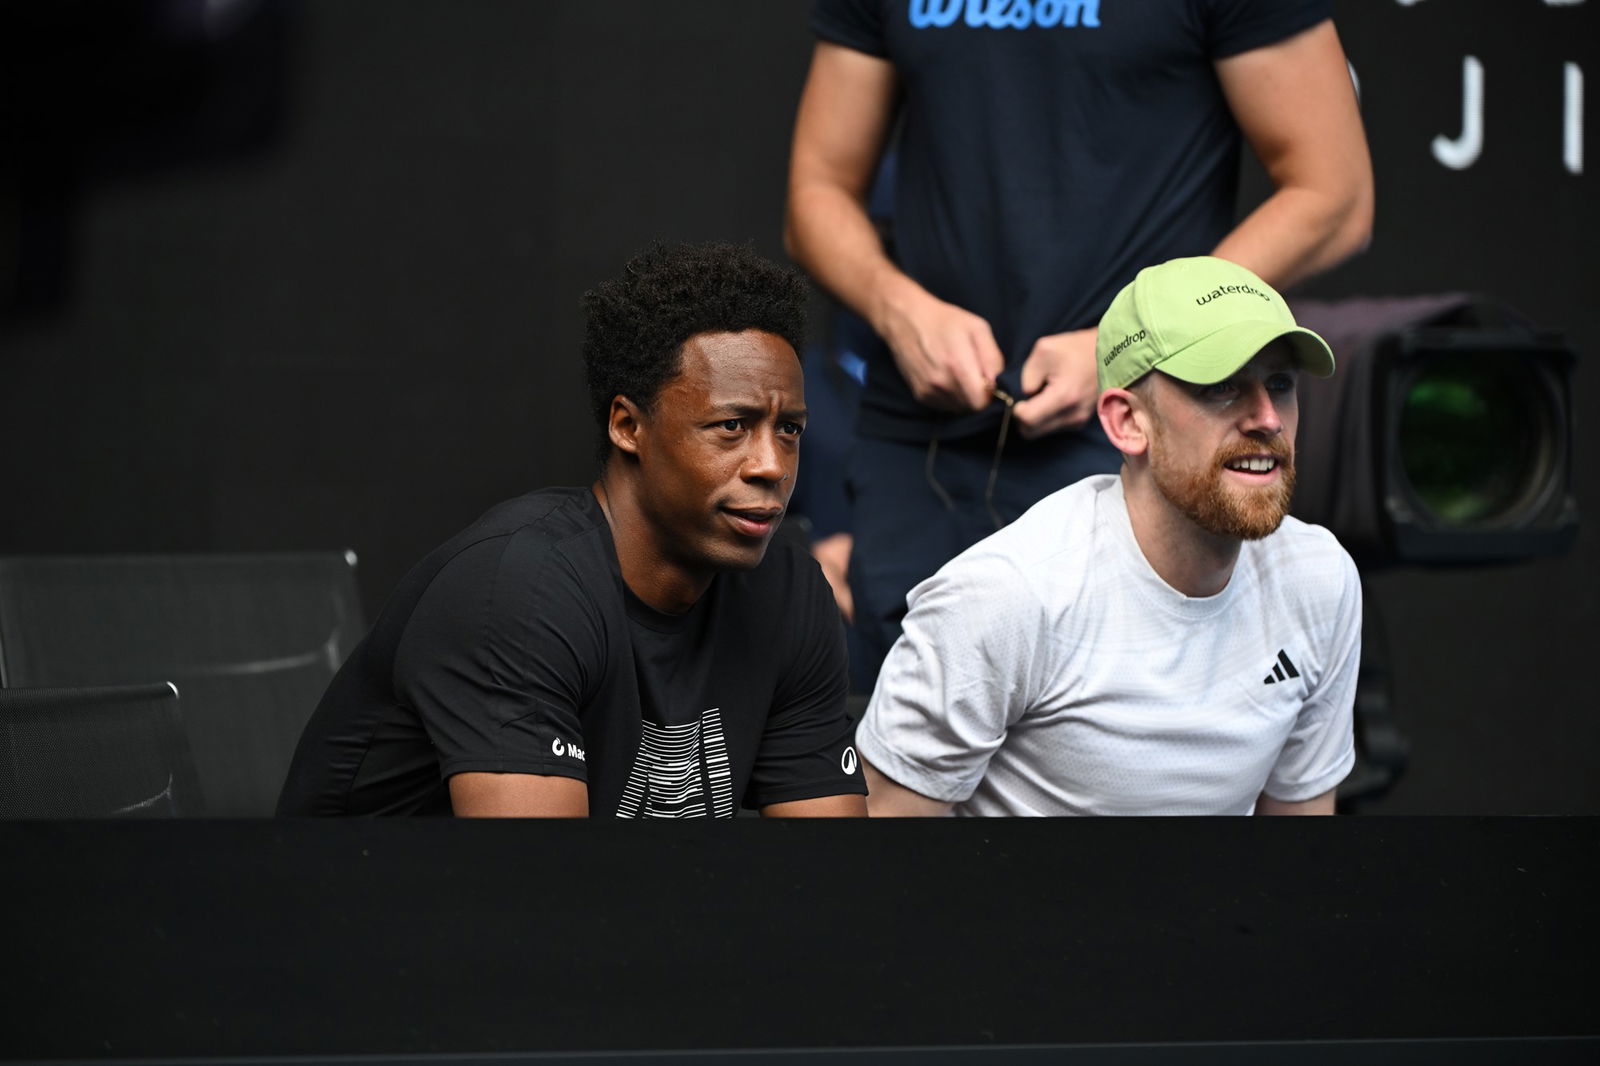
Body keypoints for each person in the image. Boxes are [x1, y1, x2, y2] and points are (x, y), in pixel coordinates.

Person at [784, 0, 1375, 686]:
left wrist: (1128, 341)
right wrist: (897, 308)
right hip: (926, 434)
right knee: (916, 760)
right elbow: (816, 192)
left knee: (1128, 756)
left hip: (1139, 424)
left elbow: (1333, 195)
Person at [278, 242, 867, 818]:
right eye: (731, 425)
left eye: (788, 429)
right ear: (628, 426)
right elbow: (540, 895)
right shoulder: (518, 589)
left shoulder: (789, 595)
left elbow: (827, 880)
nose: (771, 464)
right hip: (369, 911)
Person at [856, 256, 1360, 816]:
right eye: (1221, 386)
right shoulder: (1005, 596)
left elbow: (1300, 861)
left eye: (1281, 383)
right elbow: (881, 864)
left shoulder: (1320, 577)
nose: (1267, 417)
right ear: (1127, 422)